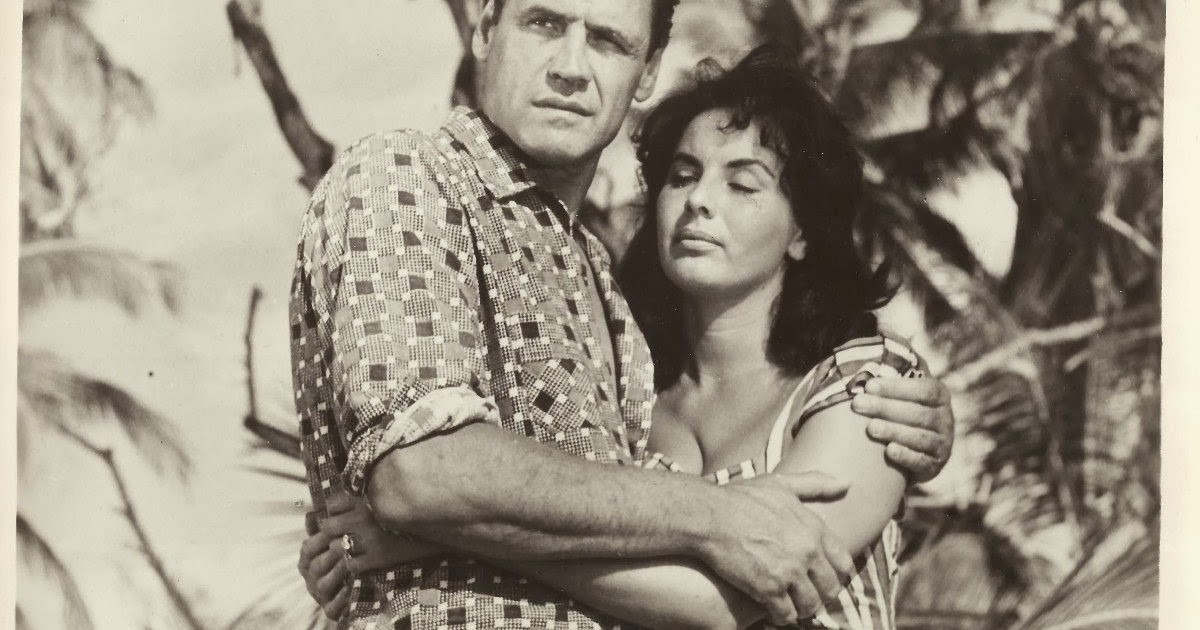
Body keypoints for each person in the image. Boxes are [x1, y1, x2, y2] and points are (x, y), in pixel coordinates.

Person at [289, 1, 955, 627]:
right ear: (486, 28)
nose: (570, 67)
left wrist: (439, 536)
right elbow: (422, 474)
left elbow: (725, 591)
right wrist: (714, 515)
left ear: (647, 70)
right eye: (545, 23)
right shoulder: (407, 176)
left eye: (607, 40)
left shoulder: (610, 309)